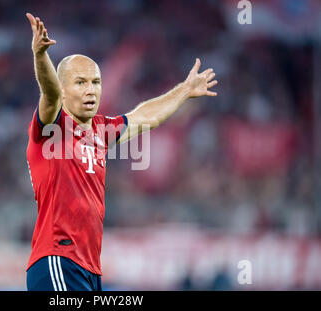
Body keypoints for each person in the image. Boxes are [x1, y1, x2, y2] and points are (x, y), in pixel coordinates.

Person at [24, 12, 218, 291]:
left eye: (96, 82)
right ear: (65, 90)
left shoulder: (101, 131)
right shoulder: (50, 129)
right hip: (58, 260)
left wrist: (184, 91)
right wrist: (41, 57)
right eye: (80, 83)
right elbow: (50, 94)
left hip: (89, 268)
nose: (91, 90)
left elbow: (144, 116)